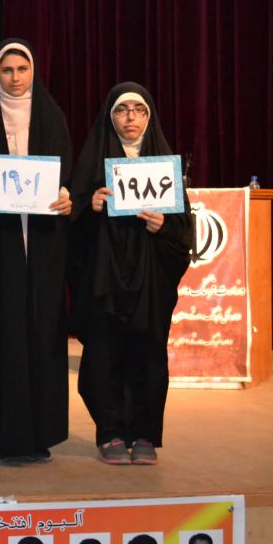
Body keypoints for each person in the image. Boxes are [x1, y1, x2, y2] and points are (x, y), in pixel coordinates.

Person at [0, 40, 73, 463]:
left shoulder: (52, 117)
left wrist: (66, 196)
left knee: (38, 335)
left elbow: (68, 175)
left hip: (40, 247)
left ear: (33, 72)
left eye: (22, 69)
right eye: (7, 70)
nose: (15, 77)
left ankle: (37, 435)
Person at [70, 83, 194, 465]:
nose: (130, 118)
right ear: (110, 117)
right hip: (105, 281)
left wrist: (164, 227)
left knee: (148, 355)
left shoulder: (163, 166)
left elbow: (184, 233)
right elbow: (71, 230)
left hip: (149, 282)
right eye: (122, 110)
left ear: (149, 117)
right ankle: (109, 433)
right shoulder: (92, 164)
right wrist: (89, 207)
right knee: (105, 354)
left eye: (139, 111)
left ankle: (144, 434)